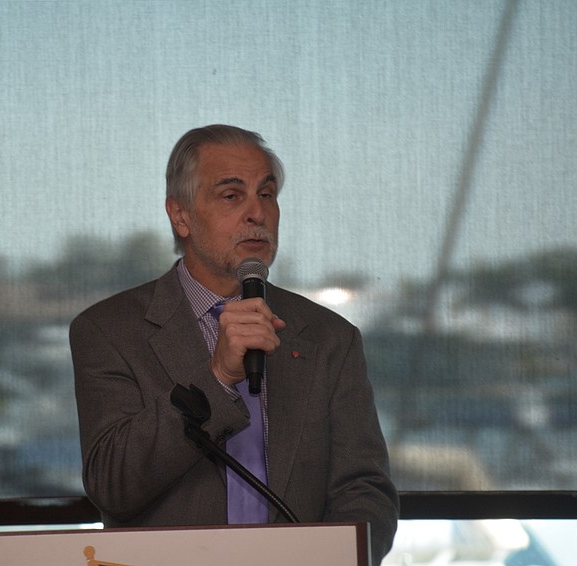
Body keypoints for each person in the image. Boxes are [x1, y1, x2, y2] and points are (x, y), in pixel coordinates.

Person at [70, 124, 399, 563]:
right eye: (231, 195)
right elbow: (113, 485)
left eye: (266, 194)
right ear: (181, 215)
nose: (257, 213)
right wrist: (218, 377)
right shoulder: (108, 330)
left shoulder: (330, 338)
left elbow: (365, 490)